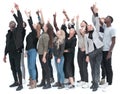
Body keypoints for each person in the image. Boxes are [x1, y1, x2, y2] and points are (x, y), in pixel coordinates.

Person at [3, 3, 24, 91]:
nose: (12, 24)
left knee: (18, 67)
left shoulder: (18, 31)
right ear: (9, 26)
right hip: (10, 53)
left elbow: (20, 21)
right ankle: (15, 81)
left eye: (13, 23)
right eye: (10, 23)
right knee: (12, 68)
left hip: (17, 52)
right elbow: (6, 45)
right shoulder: (8, 34)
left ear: (15, 25)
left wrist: (17, 11)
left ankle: (20, 84)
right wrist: (4, 55)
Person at [85, 4, 103, 91]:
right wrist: (87, 55)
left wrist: (95, 13)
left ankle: (96, 83)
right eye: (88, 26)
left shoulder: (97, 30)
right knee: (92, 68)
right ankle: (94, 81)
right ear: (87, 29)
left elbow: (96, 21)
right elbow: (86, 46)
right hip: (91, 53)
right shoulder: (86, 35)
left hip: (99, 50)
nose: (90, 26)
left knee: (97, 67)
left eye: (90, 25)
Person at [24, 10, 41, 89]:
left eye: (34, 24)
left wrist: (29, 15)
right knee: (29, 66)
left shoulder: (35, 33)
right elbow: (27, 43)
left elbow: (30, 23)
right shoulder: (31, 33)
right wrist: (25, 51)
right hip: (28, 51)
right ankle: (31, 80)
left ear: (36, 27)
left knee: (31, 66)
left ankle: (34, 82)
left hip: (33, 51)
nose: (33, 24)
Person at [99, 12, 116, 86]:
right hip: (102, 50)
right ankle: (104, 79)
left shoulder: (112, 29)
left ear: (110, 20)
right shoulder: (105, 26)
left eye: (107, 18)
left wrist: (110, 52)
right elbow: (99, 20)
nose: (105, 18)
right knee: (103, 65)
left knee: (108, 66)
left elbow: (113, 41)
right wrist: (94, 11)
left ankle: (110, 82)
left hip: (107, 50)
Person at [11, 8, 27, 83]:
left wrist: (15, 13)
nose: (21, 23)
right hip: (16, 48)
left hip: (21, 48)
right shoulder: (17, 29)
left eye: (22, 23)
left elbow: (19, 21)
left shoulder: (22, 30)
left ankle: (23, 78)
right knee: (17, 64)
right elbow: (19, 21)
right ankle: (18, 78)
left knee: (22, 64)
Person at [37, 21, 52, 89]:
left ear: (46, 28)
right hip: (40, 54)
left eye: (45, 25)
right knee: (43, 68)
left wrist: (44, 56)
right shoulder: (43, 34)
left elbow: (46, 47)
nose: (43, 26)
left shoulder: (46, 35)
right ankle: (43, 82)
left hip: (44, 54)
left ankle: (48, 84)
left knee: (46, 69)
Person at [76, 15, 89, 88]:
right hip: (79, 50)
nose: (82, 23)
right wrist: (77, 20)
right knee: (80, 65)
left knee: (84, 67)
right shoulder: (79, 32)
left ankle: (86, 81)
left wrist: (83, 33)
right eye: (81, 22)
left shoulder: (87, 32)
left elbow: (87, 41)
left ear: (86, 24)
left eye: (83, 22)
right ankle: (82, 80)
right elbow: (77, 28)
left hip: (85, 51)